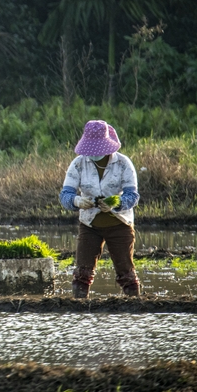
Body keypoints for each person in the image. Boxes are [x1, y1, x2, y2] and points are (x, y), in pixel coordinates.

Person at [59, 119, 141, 298]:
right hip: (89, 224)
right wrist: (77, 201)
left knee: (126, 272)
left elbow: (132, 196)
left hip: (119, 223)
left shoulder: (123, 164)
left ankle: (134, 305)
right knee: (82, 273)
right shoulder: (79, 164)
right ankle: (80, 308)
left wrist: (116, 203)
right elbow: (65, 195)